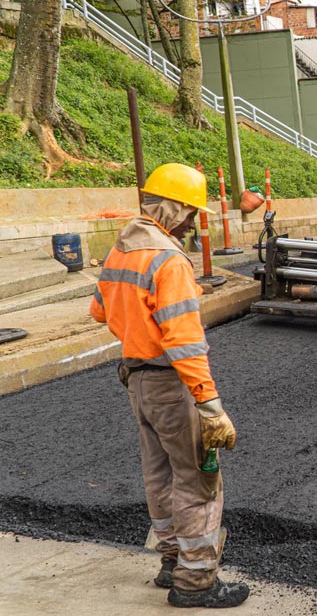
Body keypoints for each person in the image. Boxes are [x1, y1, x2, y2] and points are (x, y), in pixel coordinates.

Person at [89, 163, 248, 608]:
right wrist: (210, 405)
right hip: (170, 384)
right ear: (173, 208)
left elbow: (100, 311)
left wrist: (142, 327)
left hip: (137, 381)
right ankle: (196, 582)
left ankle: (171, 560)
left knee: (158, 474)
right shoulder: (169, 259)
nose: (192, 223)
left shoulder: (120, 251)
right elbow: (184, 343)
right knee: (197, 479)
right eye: (191, 213)